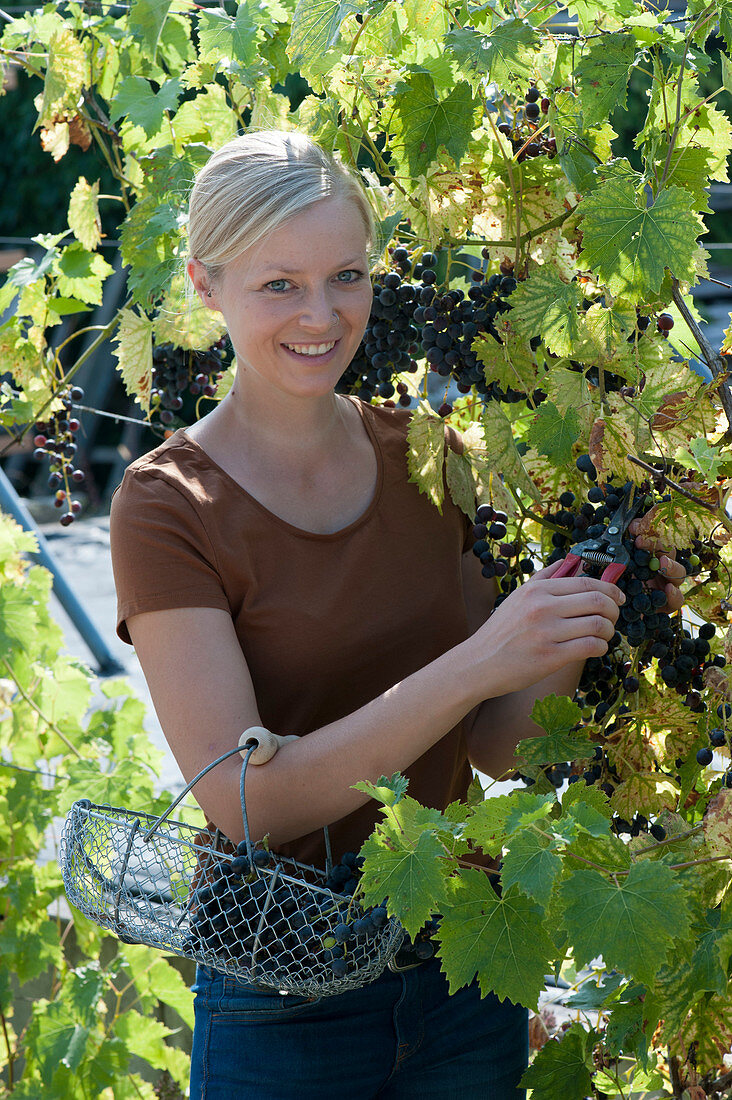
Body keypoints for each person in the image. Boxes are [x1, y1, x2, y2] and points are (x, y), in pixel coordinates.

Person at [109, 129, 686, 1100]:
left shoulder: (429, 454)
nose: (323, 313)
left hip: (459, 965)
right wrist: (476, 660)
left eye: (346, 275)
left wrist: (578, 605)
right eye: (279, 284)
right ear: (207, 286)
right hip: (281, 988)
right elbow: (248, 802)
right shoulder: (167, 503)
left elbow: (500, 746)